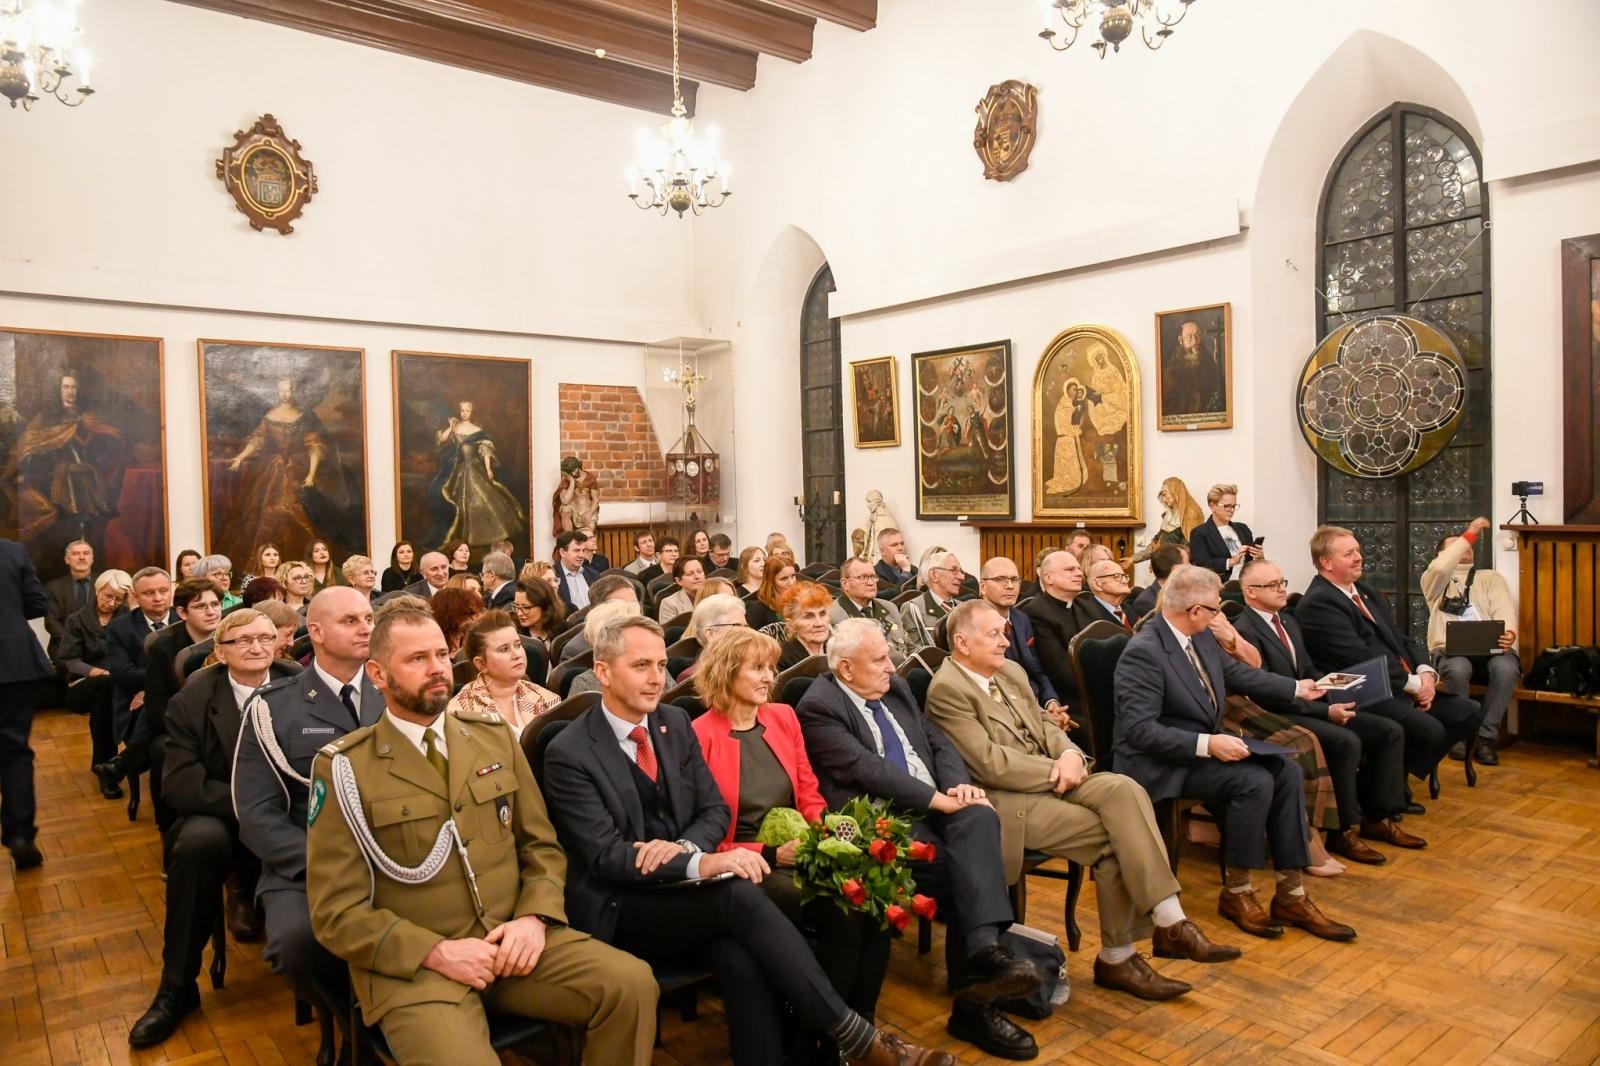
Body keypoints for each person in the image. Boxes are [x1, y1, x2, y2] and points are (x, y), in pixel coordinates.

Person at [541, 613, 955, 1066]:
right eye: (642, 666)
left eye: (661, 665)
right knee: (738, 896)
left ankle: (811, 1052)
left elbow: (713, 811)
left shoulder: (672, 723)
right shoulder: (569, 751)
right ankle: (853, 1037)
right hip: (626, 905)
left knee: (744, 959)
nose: (657, 678)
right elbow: (606, 858)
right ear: (602, 672)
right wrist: (700, 862)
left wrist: (684, 850)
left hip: (688, 889)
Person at [305, 599, 656, 1065]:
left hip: (514, 941)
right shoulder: (346, 767)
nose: (436, 669)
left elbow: (541, 846)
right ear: (377, 675)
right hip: (420, 967)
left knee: (631, 986)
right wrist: (437, 953)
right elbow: (336, 912)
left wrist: (535, 918)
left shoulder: (491, 736)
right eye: (415, 659)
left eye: (438, 655)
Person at [927, 599, 1243, 1000]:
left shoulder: (1011, 672)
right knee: (1116, 840)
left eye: (1004, 631)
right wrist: (1056, 771)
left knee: (1124, 787)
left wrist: (1071, 754)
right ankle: (1120, 955)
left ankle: (1168, 920)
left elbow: (1045, 723)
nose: (1006, 641)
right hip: (1008, 801)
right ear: (962, 642)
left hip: (1057, 774)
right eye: (993, 634)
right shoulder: (947, 690)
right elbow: (990, 765)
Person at [796, 620, 1045, 1059]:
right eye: (879, 660)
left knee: (981, 821)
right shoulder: (820, 705)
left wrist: (957, 788)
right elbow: (865, 769)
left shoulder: (894, 688)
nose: (892, 666)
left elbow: (938, 741)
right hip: (883, 822)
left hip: (933, 805)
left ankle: (984, 953)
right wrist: (936, 800)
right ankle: (975, 1001)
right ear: (846, 668)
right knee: (968, 870)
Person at [1112, 566, 1357, 942]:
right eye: (1214, 610)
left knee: (1286, 768)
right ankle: (1237, 892)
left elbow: (1239, 675)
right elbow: (1140, 732)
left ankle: (1291, 894)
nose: (1219, 617)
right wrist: (1209, 744)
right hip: (1161, 763)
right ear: (1194, 610)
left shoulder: (1199, 635)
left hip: (1197, 750)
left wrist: (1296, 688)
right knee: (1253, 780)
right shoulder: (1144, 652)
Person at [691, 628, 898, 1052]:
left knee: (878, 896)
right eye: (757, 668)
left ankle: (859, 1027)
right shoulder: (699, 736)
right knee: (842, 908)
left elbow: (808, 792)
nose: (770, 676)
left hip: (800, 847)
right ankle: (816, 1036)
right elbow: (705, 836)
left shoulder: (782, 717)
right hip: (746, 861)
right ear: (727, 673)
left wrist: (827, 836)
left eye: (771, 667)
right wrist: (769, 852)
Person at [125, 609, 298, 1048]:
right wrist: (251, 806)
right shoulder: (194, 699)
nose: (257, 647)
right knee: (196, 844)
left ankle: (345, 975)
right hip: (222, 810)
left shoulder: (298, 683)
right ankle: (177, 987)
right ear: (220, 652)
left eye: (264, 637)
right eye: (242, 641)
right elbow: (181, 784)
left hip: (293, 810)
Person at [232, 588, 383, 1056]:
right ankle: (350, 1025)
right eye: (351, 620)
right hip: (308, 860)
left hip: (398, 852)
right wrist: (323, 861)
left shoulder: (396, 687)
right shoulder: (275, 706)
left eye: (368, 618)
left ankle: (391, 1020)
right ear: (314, 632)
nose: (366, 628)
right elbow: (255, 812)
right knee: (294, 946)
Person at [1234, 559, 1422, 861]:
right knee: (1345, 741)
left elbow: (1307, 668)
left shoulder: (1288, 621)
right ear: (1250, 592)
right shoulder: (1244, 631)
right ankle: (1342, 831)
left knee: (1388, 731)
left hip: (1310, 700)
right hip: (1278, 714)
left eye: (1282, 582)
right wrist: (1325, 711)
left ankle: (1378, 817)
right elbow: (1267, 693)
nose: (1283, 589)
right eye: (1273, 585)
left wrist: (1336, 687)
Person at [1296, 525, 1486, 786]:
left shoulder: (1365, 592)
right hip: (1364, 690)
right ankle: (1384, 790)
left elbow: (1402, 638)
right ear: (1326, 562)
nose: (1359, 557)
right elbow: (1359, 659)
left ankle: (1393, 780)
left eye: (1358, 551)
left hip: (1400, 683)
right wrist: (1413, 686)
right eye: (1349, 553)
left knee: (1469, 711)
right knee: (1430, 730)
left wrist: (1425, 673)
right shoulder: (1320, 601)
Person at [95, 578, 224, 823]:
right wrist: (190, 730)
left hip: (221, 719)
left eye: (215, 604)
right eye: (201, 606)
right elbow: (157, 709)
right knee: (163, 751)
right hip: (177, 724)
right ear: (182, 613)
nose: (211, 612)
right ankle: (167, 827)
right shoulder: (164, 648)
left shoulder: (230, 638)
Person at [218, 376, 348, 572]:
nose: (285, 394)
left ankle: (309, 564)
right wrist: (240, 458)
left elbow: (314, 446)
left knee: (297, 514)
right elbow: (257, 440)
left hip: (299, 468)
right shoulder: (270, 415)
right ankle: (267, 567)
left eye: (288, 390)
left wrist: (311, 474)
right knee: (266, 514)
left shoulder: (304, 416)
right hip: (273, 468)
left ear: (294, 392)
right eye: (281, 391)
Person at [1423, 517, 1519, 766]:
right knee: (1458, 668)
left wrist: (1509, 634)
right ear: (1442, 555)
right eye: (1455, 546)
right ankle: (1459, 735)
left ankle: (1486, 737)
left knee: (1507, 667)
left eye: (1468, 545)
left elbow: (1504, 611)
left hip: (1491, 651)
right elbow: (1441, 567)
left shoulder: (1490, 578)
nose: (1465, 548)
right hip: (1451, 652)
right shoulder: (1434, 581)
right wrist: (1469, 533)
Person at [12, 369, 125, 560]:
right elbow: (31, 453)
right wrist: (63, 468)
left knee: (89, 529)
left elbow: (104, 448)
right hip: (55, 486)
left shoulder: (88, 419)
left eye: (73, 387)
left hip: (87, 485)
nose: (70, 391)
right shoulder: (46, 420)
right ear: (58, 390)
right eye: (66, 387)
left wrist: (91, 465)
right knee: (62, 531)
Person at [0, 537, 51, 871]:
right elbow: (37, 603)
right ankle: (20, 836)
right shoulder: (12, 550)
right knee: (15, 752)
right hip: (13, 662)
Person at [59, 568, 131, 792]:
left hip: (115, 687)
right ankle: (116, 763)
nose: (112, 602)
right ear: (97, 591)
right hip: (81, 684)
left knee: (104, 703)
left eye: (118, 598)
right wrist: (100, 673)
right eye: (107, 596)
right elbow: (70, 660)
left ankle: (106, 765)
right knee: (106, 687)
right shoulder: (77, 619)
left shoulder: (127, 619)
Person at [429, 399, 527, 549]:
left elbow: (485, 450)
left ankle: (484, 537)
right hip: (458, 469)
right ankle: (461, 540)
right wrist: (450, 426)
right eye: (462, 410)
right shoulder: (455, 428)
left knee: (483, 499)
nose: (464, 413)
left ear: (471, 412)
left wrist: (488, 469)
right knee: (457, 501)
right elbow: (442, 440)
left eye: (467, 411)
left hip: (474, 469)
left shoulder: (477, 430)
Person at [104, 567, 178, 748]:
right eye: (149, 593)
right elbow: (122, 672)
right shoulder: (120, 627)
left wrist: (153, 690)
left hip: (180, 692)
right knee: (149, 709)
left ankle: (126, 761)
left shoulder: (185, 619)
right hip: (133, 694)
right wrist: (156, 686)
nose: (158, 598)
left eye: (163, 591)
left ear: (172, 591)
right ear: (135, 597)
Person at [978, 557, 1064, 713]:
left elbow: (1036, 668)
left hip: (1035, 701)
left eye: (1014, 579)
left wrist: (1051, 702)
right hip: (1002, 708)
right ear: (982, 587)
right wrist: (1039, 715)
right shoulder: (973, 622)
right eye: (1000, 579)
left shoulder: (1021, 618)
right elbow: (986, 682)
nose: (1010, 586)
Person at [448, 610, 559, 729]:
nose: (517, 654)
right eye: (504, 649)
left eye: (518, 645)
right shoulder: (461, 712)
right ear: (481, 664)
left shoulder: (547, 699)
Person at [1021, 548, 1086, 717]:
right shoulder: (1037, 612)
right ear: (1048, 578)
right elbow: (1059, 671)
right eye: (1070, 570)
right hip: (1071, 699)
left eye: (1079, 569)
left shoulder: (1086, 605)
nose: (1079, 574)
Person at [829, 557, 910, 662]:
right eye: (863, 577)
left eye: (873, 576)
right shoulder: (835, 615)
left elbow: (908, 645)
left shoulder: (890, 608)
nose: (871, 583)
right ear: (845, 583)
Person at [1188, 483, 1260, 581]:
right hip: (1220, 586)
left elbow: (1250, 563)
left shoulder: (1243, 529)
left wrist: (1259, 557)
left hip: (1247, 583)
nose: (1231, 510)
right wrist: (1230, 562)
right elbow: (1202, 565)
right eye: (1227, 506)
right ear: (1212, 505)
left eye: (1234, 506)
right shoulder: (1200, 533)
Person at [559, 575, 638, 661]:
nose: (631, 610)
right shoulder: (576, 651)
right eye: (620, 606)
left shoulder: (646, 636)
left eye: (633, 603)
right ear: (598, 611)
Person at [44, 538, 97, 661]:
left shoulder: (104, 584)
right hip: (63, 648)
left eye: (86, 553)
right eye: (75, 554)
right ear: (67, 560)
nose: (82, 557)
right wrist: (73, 642)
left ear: (92, 559)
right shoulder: (53, 587)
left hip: (99, 647)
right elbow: (51, 622)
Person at [901, 550, 964, 650]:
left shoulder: (963, 608)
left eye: (961, 571)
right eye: (954, 570)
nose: (962, 577)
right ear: (934, 574)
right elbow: (914, 651)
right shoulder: (914, 609)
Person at [1128, 544, 1188, 622]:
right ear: (1175, 570)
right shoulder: (1146, 602)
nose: (1192, 567)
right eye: (1187, 563)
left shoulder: (1189, 591)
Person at [1074, 559, 1136, 631]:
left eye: (1125, 576)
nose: (1125, 581)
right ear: (1097, 584)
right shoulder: (1086, 615)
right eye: (1117, 576)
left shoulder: (1129, 608)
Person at [747, 554, 798, 632]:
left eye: (793, 576)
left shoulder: (801, 602)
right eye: (784, 578)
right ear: (771, 581)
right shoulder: (756, 610)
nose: (791, 583)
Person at [552, 455, 601, 536]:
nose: (572, 473)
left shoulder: (590, 478)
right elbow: (565, 501)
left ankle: (586, 546)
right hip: (573, 509)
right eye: (569, 472)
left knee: (591, 526)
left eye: (573, 470)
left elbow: (595, 499)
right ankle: (570, 539)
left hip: (586, 509)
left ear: (578, 466)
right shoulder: (566, 481)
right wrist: (572, 481)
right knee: (565, 510)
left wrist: (590, 512)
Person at [430, 586, 484, 655]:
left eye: (477, 613)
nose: (476, 619)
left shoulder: (475, 640)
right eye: (469, 614)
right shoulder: (433, 643)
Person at [511, 578, 565, 642]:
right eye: (516, 606)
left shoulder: (565, 630)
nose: (519, 613)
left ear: (544, 606)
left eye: (526, 607)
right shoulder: (513, 634)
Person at [656, 555, 704, 623]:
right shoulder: (669, 604)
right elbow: (670, 632)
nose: (697, 576)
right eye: (690, 574)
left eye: (699, 571)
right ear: (679, 580)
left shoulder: (714, 596)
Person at [554, 530, 592, 611]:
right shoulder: (552, 577)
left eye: (583, 550)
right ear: (563, 552)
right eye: (577, 550)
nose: (582, 555)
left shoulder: (593, 575)